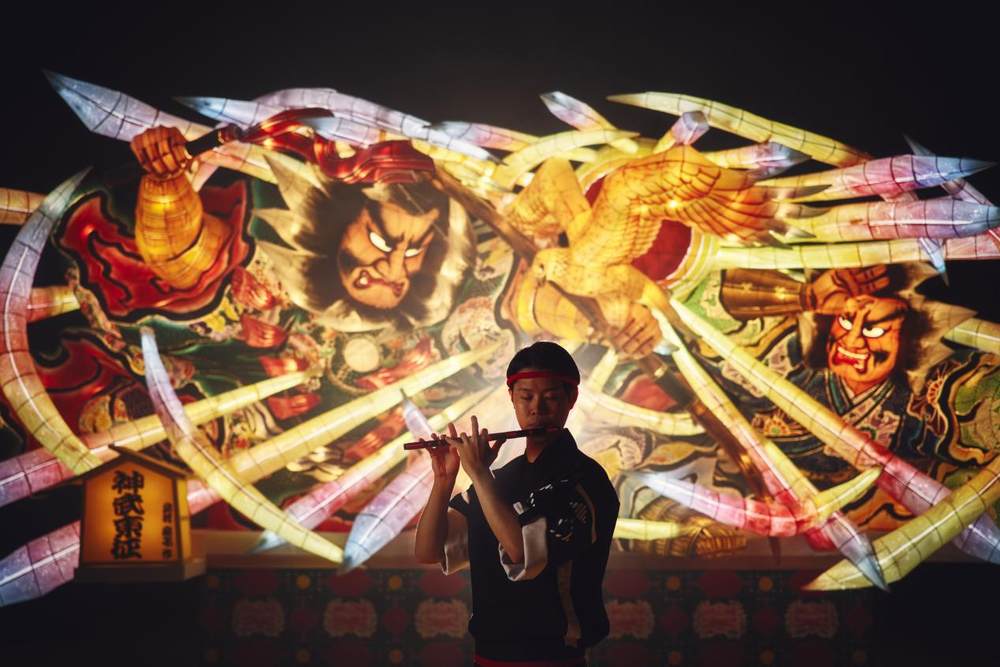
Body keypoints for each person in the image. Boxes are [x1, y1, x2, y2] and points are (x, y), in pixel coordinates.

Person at [414, 341, 620, 666]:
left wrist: (480, 474)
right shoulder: (499, 481)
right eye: (526, 397)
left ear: (571, 399)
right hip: (487, 654)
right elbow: (428, 551)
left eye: (551, 397)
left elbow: (521, 553)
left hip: (555, 658)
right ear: (512, 398)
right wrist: (444, 479)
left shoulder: (586, 480)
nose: (537, 408)